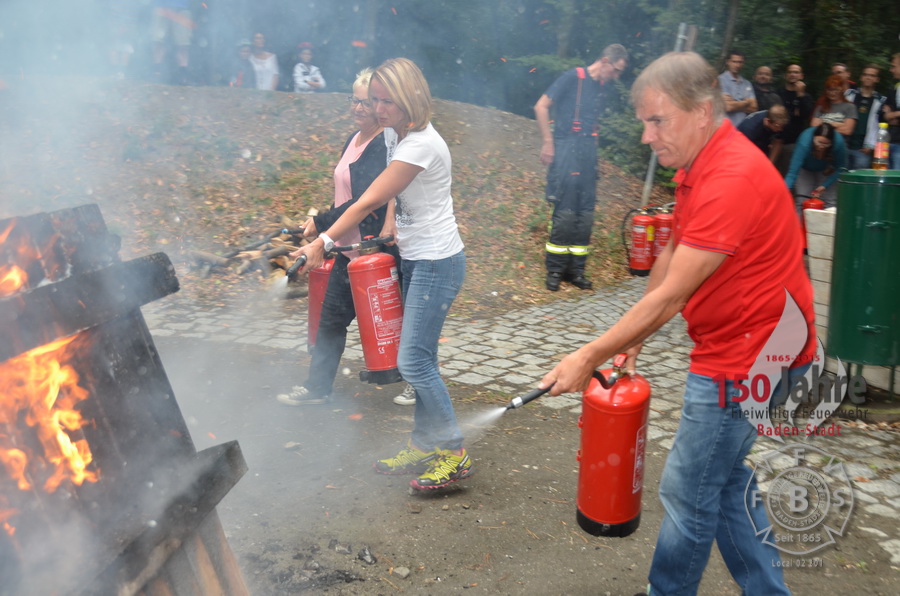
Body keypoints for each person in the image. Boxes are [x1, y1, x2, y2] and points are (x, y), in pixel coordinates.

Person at [538, 51, 815, 596]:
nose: (645, 136)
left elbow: (671, 297)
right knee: (727, 483)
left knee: (689, 494)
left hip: (751, 355)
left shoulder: (730, 176)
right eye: (643, 121)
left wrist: (588, 355)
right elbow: (667, 261)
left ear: (703, 111)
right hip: (750, 345)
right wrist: (633, 342)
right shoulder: (698, 166)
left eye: (657, 120)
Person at [293, 58, 472, 490]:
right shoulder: (397, 134)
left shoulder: (420, 145)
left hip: (436, 262)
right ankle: (424, 443)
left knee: (413, 359)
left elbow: (367, 201)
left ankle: (454, 452)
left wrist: (323, 242)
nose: (377, 109)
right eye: (374, 100)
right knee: (419, 358)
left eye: (385, 100)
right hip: (413, 257)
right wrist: (393, 226)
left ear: (408, 97)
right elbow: (394, 196)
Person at [276, 68, 414, 408]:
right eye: (354, 99)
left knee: (404, 319)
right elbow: (344, 198)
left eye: (366, 102)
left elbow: (367, 200)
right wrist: (321, 223)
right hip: (346, 248)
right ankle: (317, 388)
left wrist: (321, 224)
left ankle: (416, 383)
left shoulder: (384, 144)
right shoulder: (354, 139)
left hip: (376, 249)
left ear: (382, 105)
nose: (358, 108)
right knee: (332, 319)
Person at [534, 43, 629, 292]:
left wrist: (595, 159)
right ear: (606, 61)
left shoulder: (600, 88)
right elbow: (541, 106)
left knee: (585, 213)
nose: (616, 77)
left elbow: (593, 124)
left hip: (587, 151)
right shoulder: (572, 77)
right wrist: (548, 142)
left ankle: (576, 271)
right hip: (565, 147)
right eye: (616, 70)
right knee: (565, 212)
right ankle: (555, 270)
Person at [785, 123, 848, 213]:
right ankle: (799, 226)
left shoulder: (838, 143)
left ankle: (827, 226)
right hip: (805, 168)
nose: (822, 146)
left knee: (830, 203)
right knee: (802, 200)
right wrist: (784, 191)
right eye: (819, 142)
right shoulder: (805, 142)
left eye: (826, 144)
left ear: (831, 142)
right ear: (813, 138)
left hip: (827, 169)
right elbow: (792, 172)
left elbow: (841, 168)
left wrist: (825, 185)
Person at [775, 63, 815, 174]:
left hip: (794, 143)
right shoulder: (777, 93)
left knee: (790, 176)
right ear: (785, 75)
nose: (793, 74)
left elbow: (806, 115)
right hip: (774, 141)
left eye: (796, 72)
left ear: (801, 76)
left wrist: (800, 95)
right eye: (790, 72)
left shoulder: (806, 96)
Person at [844, 64, 886, 169]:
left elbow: (880, 126)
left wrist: (871, 145)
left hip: (863, 149)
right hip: (844, 145)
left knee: (859, 180)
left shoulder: (881, 101)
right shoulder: (849, 95)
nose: (868, 77)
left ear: (877, 79)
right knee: (840, 179)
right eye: (866, 74)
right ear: (861, 77)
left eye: (872, 75)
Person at [151, 0, 193, 85]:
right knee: (158, 41)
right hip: (161, 7)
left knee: (183, 44)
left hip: (182, 7)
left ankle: (183, 75)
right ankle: (156, 73)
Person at [717, 51, 757, 126]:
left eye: (740, 62)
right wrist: (746, 102)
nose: (737, 65)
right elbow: (728, 107)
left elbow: (754, 108)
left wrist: (734, 103)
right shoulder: (720, 80)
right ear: (728, 62)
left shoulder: (747, 83)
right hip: (724, 128)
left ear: (743, 64)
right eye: (734, 62)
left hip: (742, 129)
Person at [882, 53, 900, 169]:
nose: (890, 70)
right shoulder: (894, 88)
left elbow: (890, 115)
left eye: (893, 66)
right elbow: (883, 115)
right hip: (889, 141)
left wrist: (893, 115)